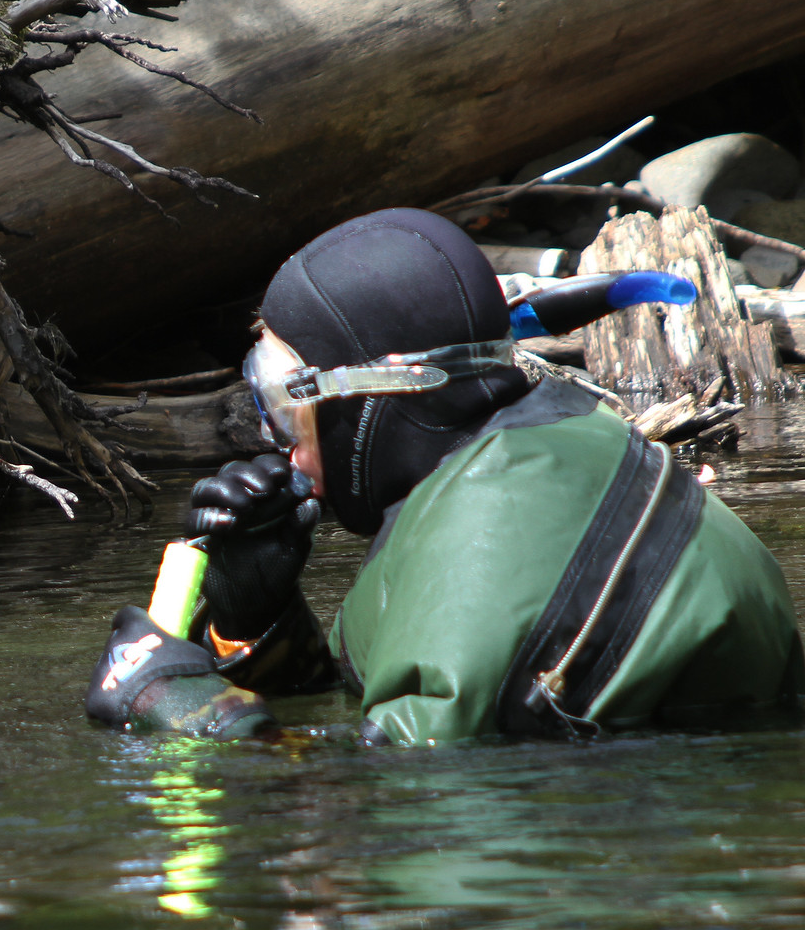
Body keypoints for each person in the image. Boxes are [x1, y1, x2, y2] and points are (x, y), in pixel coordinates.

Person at [96, 208, 800, 745]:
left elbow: (401, 804)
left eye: (283, 398)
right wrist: (254, 621)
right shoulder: (557, 449)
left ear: (386, 385)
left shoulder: (483, 544)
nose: (276, 439)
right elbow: (369, 699)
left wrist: (187, 713)